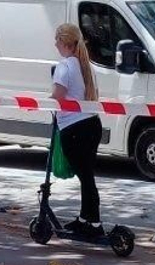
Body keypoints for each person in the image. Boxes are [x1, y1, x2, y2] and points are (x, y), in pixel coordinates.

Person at [52, 24, 103, 238]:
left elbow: (59, 95)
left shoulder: (64, 66)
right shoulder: (83, 65)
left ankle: (95, 223)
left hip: (74, 128)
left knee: (86, 177)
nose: (55, 44)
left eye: (56, 40)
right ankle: (86, 218)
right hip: (91, 124)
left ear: (63, 43)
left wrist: (40, 103)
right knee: (87, 176)